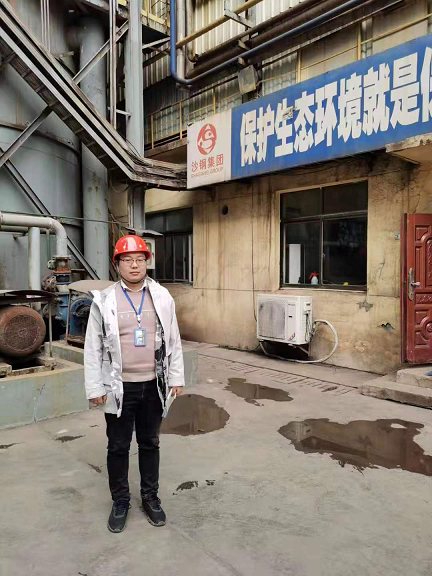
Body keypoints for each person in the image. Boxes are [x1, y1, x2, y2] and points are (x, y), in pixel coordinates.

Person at [84, 234, 185, 533]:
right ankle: (120, 501)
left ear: (146, 263)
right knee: (118, 446)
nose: (134, 265)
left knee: (150, 442)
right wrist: (95, 388)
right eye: (127, 260)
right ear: (117, 264)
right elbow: (93, 347)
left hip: (153, 384)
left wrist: (176, 377)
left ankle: (150, 497)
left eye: (140, 259)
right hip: (119, 387)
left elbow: (174, 340)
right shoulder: (104, 300)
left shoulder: (162, 296)